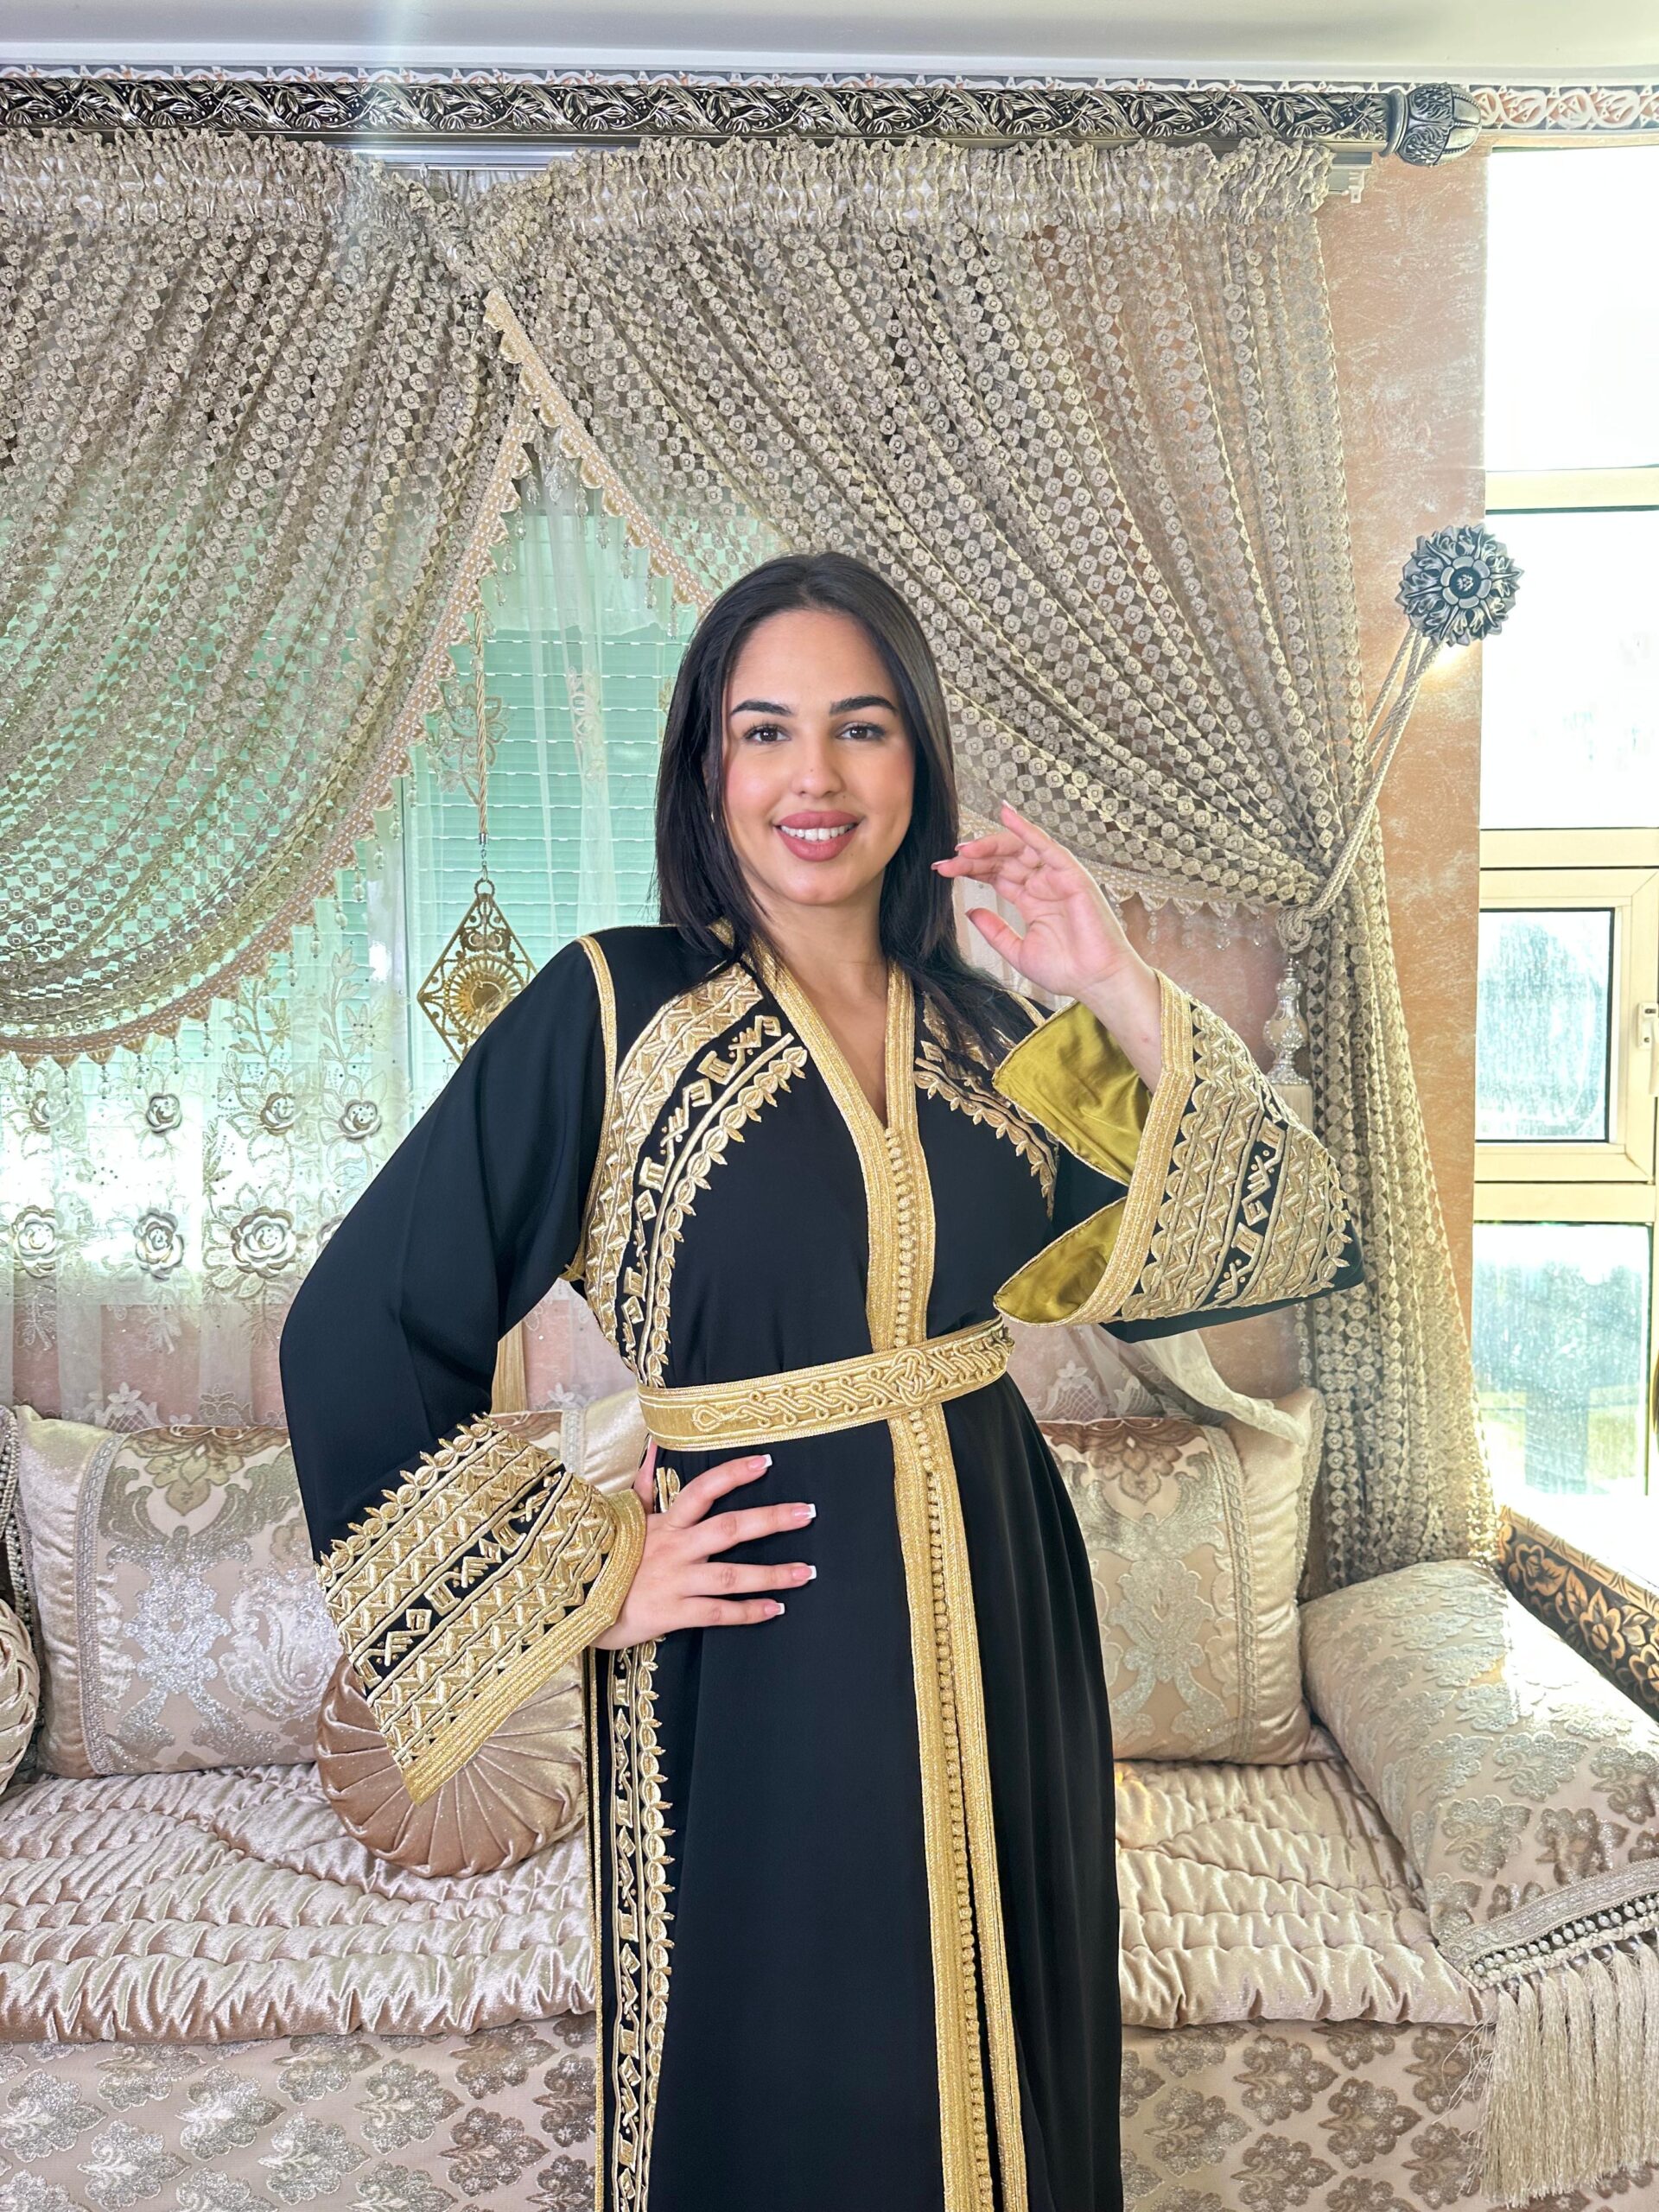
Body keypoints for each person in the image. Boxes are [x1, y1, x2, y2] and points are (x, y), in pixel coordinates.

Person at [280, 550, 1363, 2212]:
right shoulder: (613, 1010)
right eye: (765, 731)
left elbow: (1286, 1232)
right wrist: (585, 1575)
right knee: (806, 2081)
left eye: (862, 728)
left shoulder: (998, 1035)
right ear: (707, 766)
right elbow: (356, 1327)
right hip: (764, 1637)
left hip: (1007, 1602)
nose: (816, 779)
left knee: (1013, 2054)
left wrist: (1113, 983)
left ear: (917, 760)